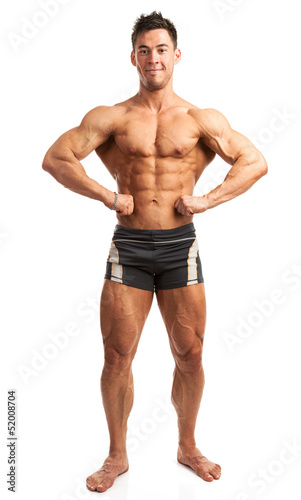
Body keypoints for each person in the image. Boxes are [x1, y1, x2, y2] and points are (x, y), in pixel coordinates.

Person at [42, 11, 268, 493]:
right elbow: (55, 158)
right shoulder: (113, 117)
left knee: (190, 354)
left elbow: (255, 161)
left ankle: (187, 446)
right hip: (129, 248)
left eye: (161, 49)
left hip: (179, 247)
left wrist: (206, 199)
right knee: (117, 355)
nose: (153, 58)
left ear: (176, 55)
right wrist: (108, 195)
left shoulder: (200, 119)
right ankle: (117, 456)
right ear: (133, 58)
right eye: (144, 50)